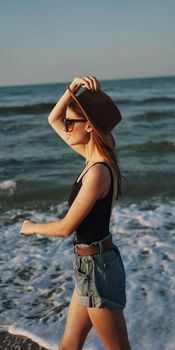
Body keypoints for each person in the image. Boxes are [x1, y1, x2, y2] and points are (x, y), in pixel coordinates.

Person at [20, 76, 132, 350]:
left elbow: (66, 227)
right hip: (90, 265)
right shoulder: (92, 155)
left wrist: (32, 226)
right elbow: (53, 119)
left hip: (98, 268)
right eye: (68, 123)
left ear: (90, 127)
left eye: (72, 123)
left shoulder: (97, 172)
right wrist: (73, 89)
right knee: (69, 346)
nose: (66, 127)